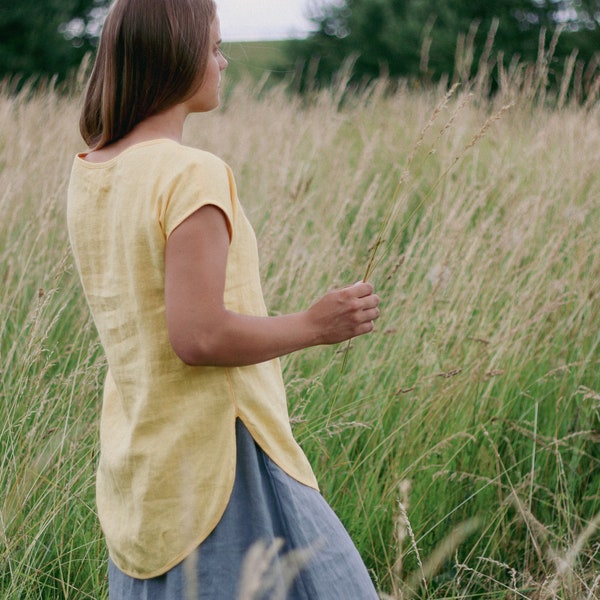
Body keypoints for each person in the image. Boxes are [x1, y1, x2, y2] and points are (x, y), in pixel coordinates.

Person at [67, 0, 381, 598]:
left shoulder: (93, 171)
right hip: (225, 455)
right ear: (179, 55)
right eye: (214, 47)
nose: (224, 61)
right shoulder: (192, 174)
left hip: (146, 457)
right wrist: (317, 325)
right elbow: (200, 336)